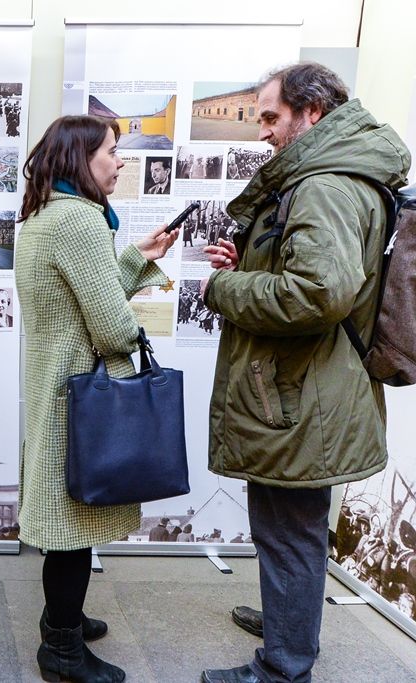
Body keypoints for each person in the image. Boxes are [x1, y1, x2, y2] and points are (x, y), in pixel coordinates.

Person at [199, 62, 411, 683]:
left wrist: (225, 286)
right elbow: (315, 276)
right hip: (307, 390)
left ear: (311, 113)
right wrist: (250, 262)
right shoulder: (336, 177)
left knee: (288, 530)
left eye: (271, 116)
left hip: (299, 397)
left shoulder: (324, 186)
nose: (262, 132)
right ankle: (287, 620)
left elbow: (317, 294)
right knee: (294, 527)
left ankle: (283, 667)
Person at [15, 115, 178, 683]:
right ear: (81, 158)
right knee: (72, 532)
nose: (120, 160)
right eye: (112, 150)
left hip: (56, 388)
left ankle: (64, 619)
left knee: (70, 520)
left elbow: (88, 288)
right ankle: (60, 649)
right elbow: (108, 321)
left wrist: (136, 254)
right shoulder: (81, 222)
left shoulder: (43, 217)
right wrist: (137, 340)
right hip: (80, 397)